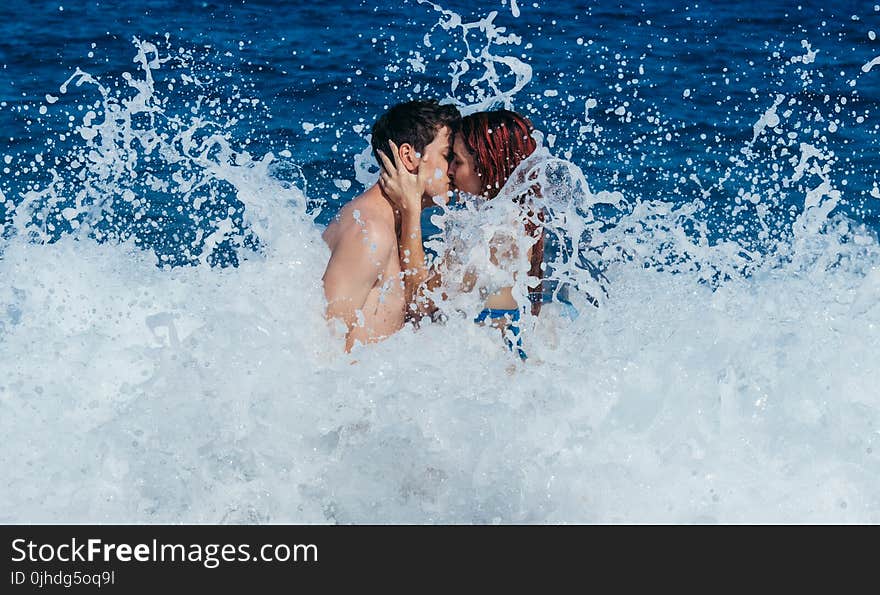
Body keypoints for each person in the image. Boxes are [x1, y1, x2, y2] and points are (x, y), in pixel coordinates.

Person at [377, 109, 543, 359]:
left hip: (488, 373)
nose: (450, 171)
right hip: (500, 358)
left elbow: (417, 303)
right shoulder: (519, 217)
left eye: (457, 160)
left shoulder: (497, 233)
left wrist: (411, 209)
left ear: (487, 163)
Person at [322, 100, 460, 352]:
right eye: (447, 156)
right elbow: (321, 342)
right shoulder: (370, 232)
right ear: (409, 156)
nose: (454, 169)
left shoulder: (392, 227)